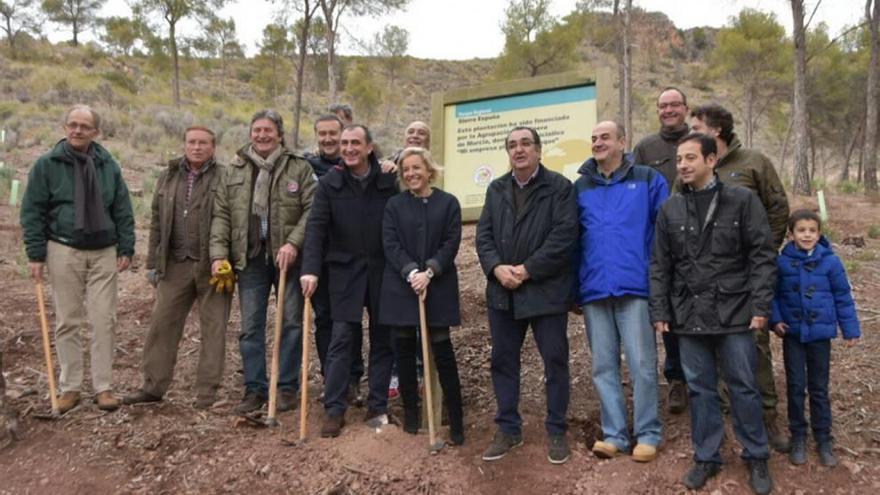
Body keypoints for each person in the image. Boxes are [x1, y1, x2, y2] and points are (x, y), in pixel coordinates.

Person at [650, 133, 775, 494]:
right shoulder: (669, 209)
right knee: (701, 391)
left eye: (691, 158)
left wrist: (760, 306)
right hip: (688, 316)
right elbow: (660, 264)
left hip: (735, 312)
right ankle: (706, 457)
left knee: (744, 387)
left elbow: (762, 257)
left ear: (711, 160)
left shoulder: (742, 201)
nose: (683, 165)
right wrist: (660, 309)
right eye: (679, 159)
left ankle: (757, 456)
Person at [20, 104, 135, 412]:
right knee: (68, 321)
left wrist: (127, 246)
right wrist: (35, 254)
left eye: (85, 126)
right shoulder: (47, 164)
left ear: (95, 132)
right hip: (63, 248)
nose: (77, 130)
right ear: (64, 127)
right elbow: (32, 211)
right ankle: (70, 387)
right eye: (72, 124)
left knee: (103, 320)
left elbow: (122, 207)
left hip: (103, 250)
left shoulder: (107, 164)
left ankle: (103, 387)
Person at [690, 103, 791, 451]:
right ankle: (720, 417)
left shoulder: (754, 162)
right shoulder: (692, 168)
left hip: (747, 276)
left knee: (756, 345)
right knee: (709, 343)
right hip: (706, 279)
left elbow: (778, 208)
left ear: (716, 130)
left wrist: (764, 250)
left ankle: (767, 416)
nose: (691, 131)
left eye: (697, 125)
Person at [476, 126, 578, 465]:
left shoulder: (560, 188)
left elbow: (564, 236)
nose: (518, 150)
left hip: (545, 291)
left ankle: (556, 430)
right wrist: (496, 268)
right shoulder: (496, 189)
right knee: (503, 361)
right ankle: (508, 428)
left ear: (538, 150)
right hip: (503, 293)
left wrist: (528, 269)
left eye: (525, 144)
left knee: (555, 360)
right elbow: (484, 235)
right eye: (512, 145)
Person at [210, 110, 315, 414]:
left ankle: (286, 387)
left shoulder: (299, 167)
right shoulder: (236, 169)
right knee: (250, 327)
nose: (262, 135)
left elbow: (313, 210)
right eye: (257, 130)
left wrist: (294, 243)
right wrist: (218, 254)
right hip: (250, 257)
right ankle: (255, 388)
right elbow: (222, 215)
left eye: (268, 130)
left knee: (292, 323)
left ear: (280, 134)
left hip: (289, 260)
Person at [574, 121, 667, 462]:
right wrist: (575, 287)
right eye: (594, 138)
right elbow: (573, 239)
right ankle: (614, 435)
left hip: (636, 287)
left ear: (622, 142)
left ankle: (648, 433)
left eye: (605, 137)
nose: (598, 142)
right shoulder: (580, 187)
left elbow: (664, 231)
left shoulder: (647, 179)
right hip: (595, 288)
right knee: (603, 366)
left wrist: (657, 279)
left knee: (642, 364)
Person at [300, 124, 399, 438]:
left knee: (383, 339)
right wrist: (310, 269)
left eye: (355, 142)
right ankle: (335, 408)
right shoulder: (330, 183)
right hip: (344, 273)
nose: (349, 148)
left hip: (384, 271)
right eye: (345, 143)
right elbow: (316, 228)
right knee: (341, 340)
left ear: (369, 147)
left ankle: (378, 405)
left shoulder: (388, 180)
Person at [123, 126, 231, 410]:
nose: (197, 147)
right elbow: (157, 221)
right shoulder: (168, 175)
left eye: (203, 143)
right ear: (184, 145)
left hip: (213, 266)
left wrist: (227, 258)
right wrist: (152, 262)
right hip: (174, 264)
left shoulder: (226, 177)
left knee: (214, 328)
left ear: (213, 146)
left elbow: (232, 220)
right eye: (192, 142)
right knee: (162, 324)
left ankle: (207, 392)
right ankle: (152, 386)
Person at [379, 147, 465, 445]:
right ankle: (412, 418)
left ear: (429, 170)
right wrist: (411, 272)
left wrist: (429, 271)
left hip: (437, 285)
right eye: (406, 170)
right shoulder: (394, 205)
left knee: (442, 351)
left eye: (417, 168)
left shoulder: (448, 203)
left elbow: (451, 242)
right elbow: (390, 243)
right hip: (402, 285)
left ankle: (455, 422)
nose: (411, 174)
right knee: (402, 349)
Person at [770, 209, 861, 467]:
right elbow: (772, 295)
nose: (807, 235)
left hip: (820, 335)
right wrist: (776, 320)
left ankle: (823, 437)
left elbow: (843, 296)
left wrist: (850, 329)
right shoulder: (782, 262)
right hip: (794, 335)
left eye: (812, 230)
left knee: (819, 388)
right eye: (801, 230)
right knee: (796, 386)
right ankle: (798, 435)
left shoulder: (831, 262)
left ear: (819, 233)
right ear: (791, 234)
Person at [632, 87, 690, 414]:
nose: (668, 110)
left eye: (674, 105)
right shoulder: (645, 148)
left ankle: (710, 380)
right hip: (660, 245)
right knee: (667, 311)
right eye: (662, 106)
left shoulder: (699, 142)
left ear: (685, 108)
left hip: (699, 243)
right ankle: (677, 380)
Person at [304, 114, 365, 403]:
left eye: (333, 134)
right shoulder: (306, 168)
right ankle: (332, 378)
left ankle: (353, 377)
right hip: (320, 258)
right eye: (322, 134)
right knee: (325, 319)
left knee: (349, 320)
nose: (328, 139)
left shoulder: (358, 165)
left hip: (351, 259)